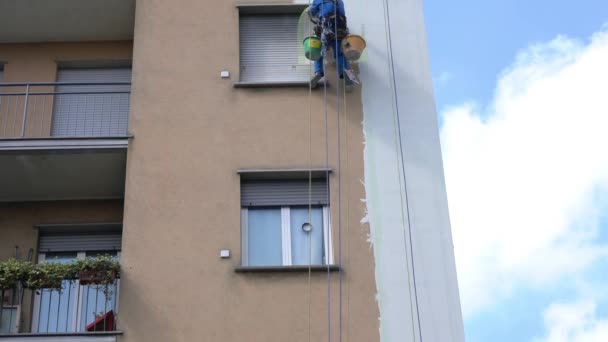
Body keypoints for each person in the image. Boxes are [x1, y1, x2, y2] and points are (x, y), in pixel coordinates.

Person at [308, 0, 358, 88]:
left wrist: (310, 11)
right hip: (340, 29)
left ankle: (318, 71)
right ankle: (344, 71)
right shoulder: (339, 1)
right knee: (340, 53)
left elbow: (312, 13)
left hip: (325, 27)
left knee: (318, 50)